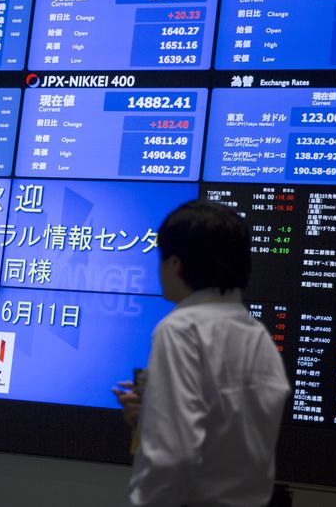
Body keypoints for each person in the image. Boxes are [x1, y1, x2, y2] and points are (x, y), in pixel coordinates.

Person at [113, 199, 290, 507]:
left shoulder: (180, 329)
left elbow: (173, 454)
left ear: (175, 264)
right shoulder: (257, 334)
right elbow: (232, 430)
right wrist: (151, 416)